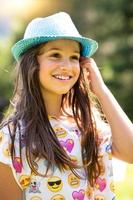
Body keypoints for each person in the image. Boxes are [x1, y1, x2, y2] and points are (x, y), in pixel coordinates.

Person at [0, 12, 133, 200]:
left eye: (74, 57)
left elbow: (131, 152)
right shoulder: (12, 136)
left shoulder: (88, 126)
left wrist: (101, 91)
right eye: (55, 55)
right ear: (32, 63)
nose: (67, 65)